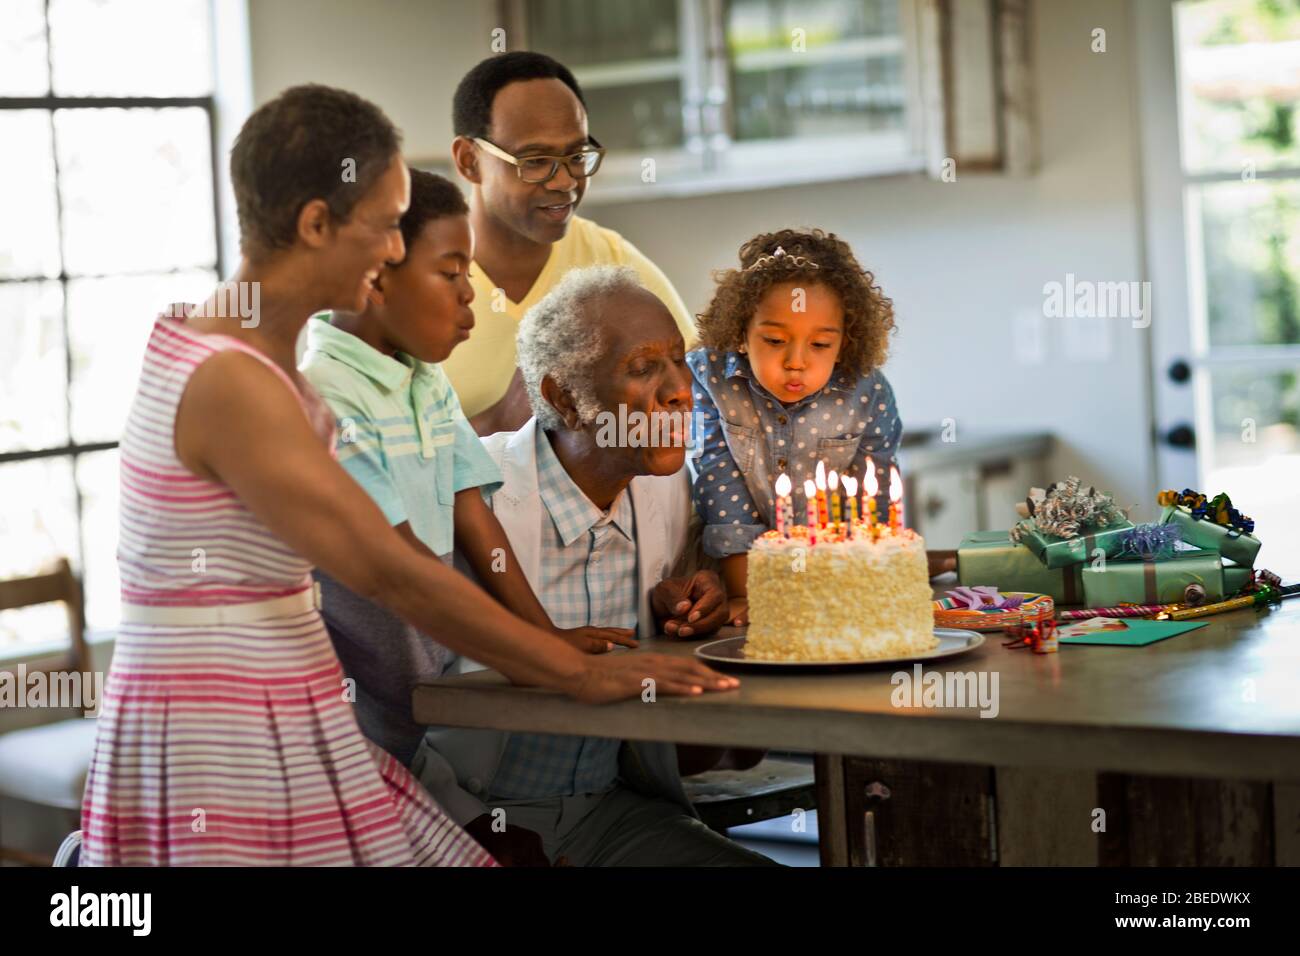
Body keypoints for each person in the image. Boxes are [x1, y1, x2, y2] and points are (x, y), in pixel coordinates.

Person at [80, 84, 735, 867]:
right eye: (389, 226)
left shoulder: (228, 348)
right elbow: (389, 568)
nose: (398, 250)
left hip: (283, 709)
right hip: (227, 729)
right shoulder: (233, 380)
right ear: (316, 224)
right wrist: (571, 672)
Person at [299, 168, 658, 864]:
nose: (473, 296)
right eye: (452, 273)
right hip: (346, 726)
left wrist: (544, 632)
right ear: (376, 276)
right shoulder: (326, 399)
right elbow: (401, 574)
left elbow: (472, 512)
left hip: (416, 714)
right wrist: (547, 662)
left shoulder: (424, 378)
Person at [414, 265, 777, 866]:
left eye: (678, 360)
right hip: (467, 821)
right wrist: (471, 827)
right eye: (642, 368)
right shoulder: (470, 498)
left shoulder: (669, 491)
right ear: (564, 398)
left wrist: (697, 600)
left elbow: (690, 706)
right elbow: (384, 705)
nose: (680, 390)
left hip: (613, 813)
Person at [687, 228, 953, 628]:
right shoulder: (710, 378)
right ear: (741, 330)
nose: (796, 361)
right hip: (734, 576)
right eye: (775, 340)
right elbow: (720, 486)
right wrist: (747, 594)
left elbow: (873, 502)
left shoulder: (867, 391)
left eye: (820, 345)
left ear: (845, 341)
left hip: (837, 580)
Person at [441, 51, 697, 434]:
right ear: (469, 160)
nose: (565, 182)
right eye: (535, 160)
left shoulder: (609, 262)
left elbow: (699, 385)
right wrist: (499, 422)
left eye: (576, 155)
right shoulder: (412, 277)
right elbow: (377, 464)